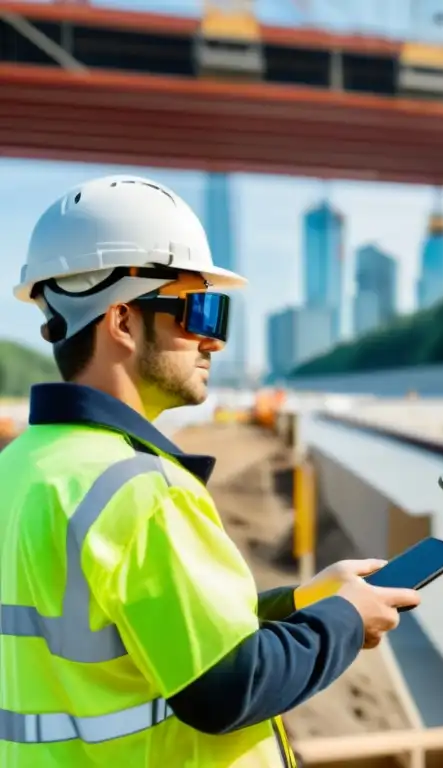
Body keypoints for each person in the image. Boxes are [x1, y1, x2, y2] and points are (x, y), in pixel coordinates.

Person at [0, 175, 420, 767]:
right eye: (199, 310)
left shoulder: (19, 467)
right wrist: (347, 618)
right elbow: (227, 686)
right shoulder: (138, 488)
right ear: (122, 320)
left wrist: (302, 601)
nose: (213, 342)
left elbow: (141, 634)